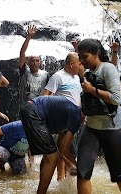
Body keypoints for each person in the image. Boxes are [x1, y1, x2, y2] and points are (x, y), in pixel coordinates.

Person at [77, 38, 121, 194]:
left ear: (96, 54)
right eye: (79, 57)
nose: (81, 61)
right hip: (90, 127)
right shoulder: (89, 72)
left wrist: (92, 90)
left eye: (85, 57)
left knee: (118, 174)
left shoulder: (108, 68)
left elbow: (117, 99)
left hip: (113, 128)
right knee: (82, 172)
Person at [19, 96, 81, 194]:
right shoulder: (76, 115)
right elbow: (64, 150)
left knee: (49, 155)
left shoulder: (71, 114)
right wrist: (76, 167)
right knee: (53, 157)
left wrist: (70, 164)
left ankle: (41, 189)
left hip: (30, 110)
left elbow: (62, 146)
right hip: (33, 112)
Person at [42, 52, 84, 180]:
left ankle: (61, 177)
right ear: (71, 64)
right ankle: (62, 175)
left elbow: (77, 97)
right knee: (63, 147)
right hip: (61, 117)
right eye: (79, 64)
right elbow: (45, 95)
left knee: (62, 147)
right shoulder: (58, 76)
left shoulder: (76, 78)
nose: (81, 66)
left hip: (74, 118)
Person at [18, 24, 49, 101]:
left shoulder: (45, 74)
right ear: (28, 63)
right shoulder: (25, 71)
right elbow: (22, 53)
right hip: (27, 105)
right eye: (32, 61)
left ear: (40, 62)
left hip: (41, 105)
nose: (35, 63)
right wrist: (28, 37)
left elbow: (50, 91)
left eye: (37, 61)